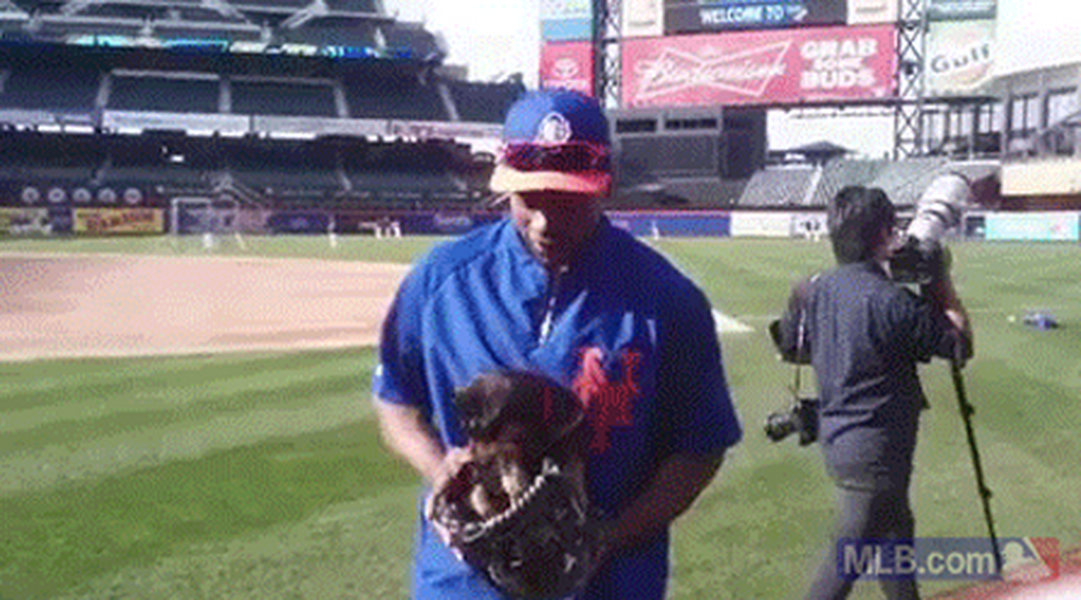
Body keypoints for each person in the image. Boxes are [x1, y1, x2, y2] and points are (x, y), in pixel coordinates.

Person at [372, 88, 743, 599]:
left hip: (610, 586)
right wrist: (441, 469)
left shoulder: (667, 301)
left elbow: (700, 448)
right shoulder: (440, 282)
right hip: (461, 584)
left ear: (603, 185)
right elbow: (396, 399)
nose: (547, 222)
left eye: (568, 201)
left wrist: (609, 537)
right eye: (530, 200)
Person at [775, 186, 973, 599]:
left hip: (846, 445)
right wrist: (939, 280)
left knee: (896, 548)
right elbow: (959, 344)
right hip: (875, 459)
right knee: (841, 568)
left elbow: (792, 347)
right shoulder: (891, 302)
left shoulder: (819, 289)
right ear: (883, 234)